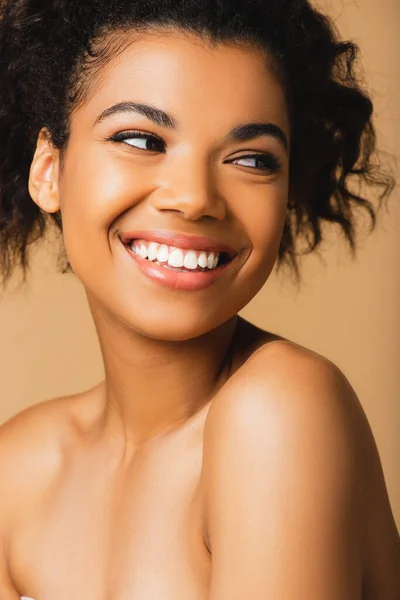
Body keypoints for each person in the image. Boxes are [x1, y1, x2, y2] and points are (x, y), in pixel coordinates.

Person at [0, 0, 399, 598]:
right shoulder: (19, 467)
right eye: (140, 138)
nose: (194, 198)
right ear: (49, 171)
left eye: (251, 158)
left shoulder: (279, 413)